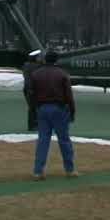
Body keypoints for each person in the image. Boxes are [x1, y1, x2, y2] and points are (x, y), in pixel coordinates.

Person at [29, 50, 78, 181]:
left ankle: (38, 171)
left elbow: (32, 94)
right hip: (59, 109)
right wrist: (72, 111)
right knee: (64, 140)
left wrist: (34, 110)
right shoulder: (62, 74)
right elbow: (69, 95)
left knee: (43, 140)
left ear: (45, 59)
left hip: (42, 108)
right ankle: (70, 169)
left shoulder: (36, 74)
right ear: (57, 60)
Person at [22, 50, 42, 131]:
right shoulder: (30, 66)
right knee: (33, 107)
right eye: (38, 57)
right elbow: (28, 79)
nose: (40, 58)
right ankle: (33, 125)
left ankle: (36, 124)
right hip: (31, 89)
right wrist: (31, 89)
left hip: (33, 89)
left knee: (35, 107)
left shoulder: (32, 66)